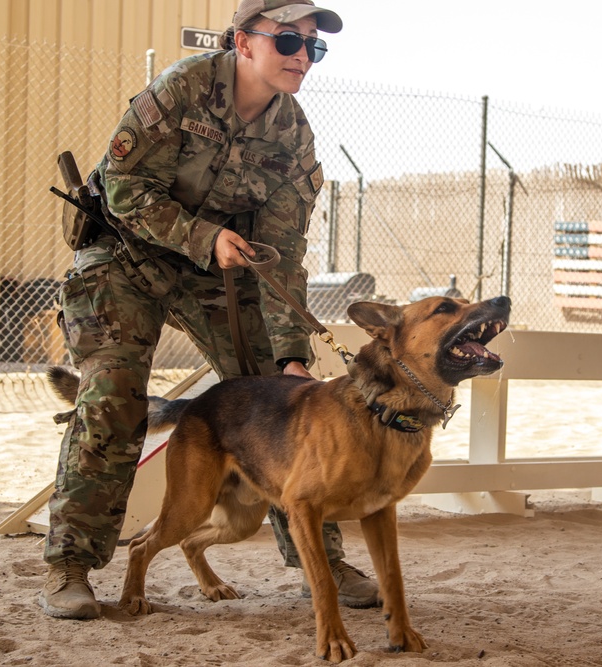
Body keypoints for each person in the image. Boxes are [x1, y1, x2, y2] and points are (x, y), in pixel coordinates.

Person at [40, 0, 379, 620]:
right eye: (288, 41)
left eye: (313, 46)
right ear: (243, 42)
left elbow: (282, 255)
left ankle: (321, 562)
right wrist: (202, 236)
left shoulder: (293, 136)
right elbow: (122, 187)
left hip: (215, 274)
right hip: (124, 257)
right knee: (114, 397)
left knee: (280, 397)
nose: (303, 56)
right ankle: (70, 567)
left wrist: (291, 355)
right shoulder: (182, 89)